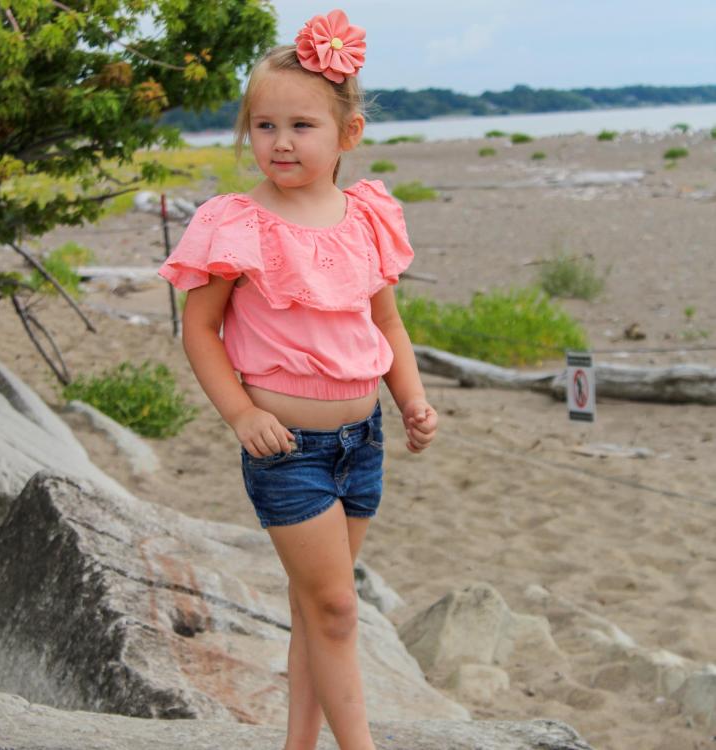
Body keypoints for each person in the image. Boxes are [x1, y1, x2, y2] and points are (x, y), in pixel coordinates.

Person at [159, 10, 437, 749]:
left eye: (301, 126)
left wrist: (410, 398)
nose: (279, 142)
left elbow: (389, 325)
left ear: (348, 133)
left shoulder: (366, 218)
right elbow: (199, 328)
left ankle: (298, 744)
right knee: (339, 609)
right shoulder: (237, 222)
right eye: (263, 125)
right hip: (288, 451)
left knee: (320, 607)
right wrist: (239, 414)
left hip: (362, 440)